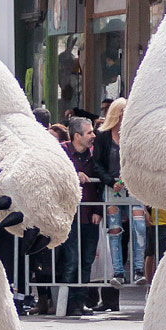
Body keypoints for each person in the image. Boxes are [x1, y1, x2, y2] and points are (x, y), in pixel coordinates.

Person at [55, 117, 102, 317]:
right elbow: (53, 172)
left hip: (90, 216)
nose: (93, 135)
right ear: (77, 136)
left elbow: (102, 181)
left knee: (86, 261)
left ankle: (79, 303)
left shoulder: (94, 155)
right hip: (68, 216)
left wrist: (98, 210)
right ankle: (64, 304)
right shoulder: (61, 151)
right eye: (89, 132)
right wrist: (74, 174)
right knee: (71, 260)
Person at [92, 96, 128, 309]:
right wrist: (110, 181)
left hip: (129, 196)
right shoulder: (103, 136)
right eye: (122, 113)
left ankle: (112, 297)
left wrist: (124, 181)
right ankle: (102, 296)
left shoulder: (131, 136)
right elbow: (97, 164)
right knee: (107, 244)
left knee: (125, 242)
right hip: (109, 194)